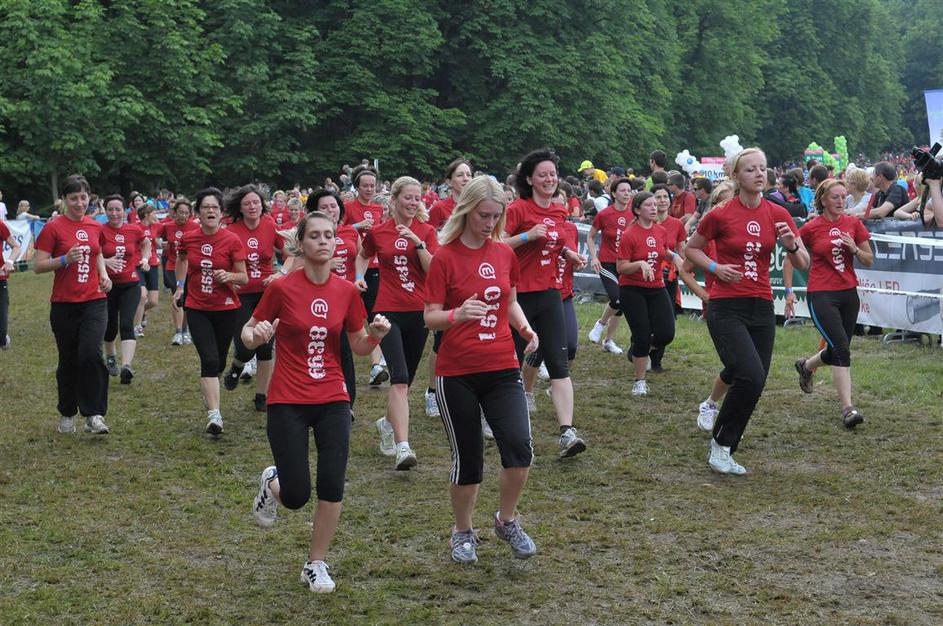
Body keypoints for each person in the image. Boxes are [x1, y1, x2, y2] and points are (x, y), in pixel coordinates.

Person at [244, 210, 391, 594]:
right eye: (315, 235)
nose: (324, 241)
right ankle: (272, 483)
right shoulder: (281, 288)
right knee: (296, 496)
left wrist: (375, 336)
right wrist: (256, 336)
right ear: (301, 243)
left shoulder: (347, 291)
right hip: (287, 399)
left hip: (333, 397)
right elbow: (248, 332)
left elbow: (358, 346)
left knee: (331, 482)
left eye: (329, 235)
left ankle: (316, 563)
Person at [424, 175, 539, 564]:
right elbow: (430, 316)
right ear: (466, 211)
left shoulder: (504, 254)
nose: (489, 223)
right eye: (483, 215)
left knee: (520, 449)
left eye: (495, 216)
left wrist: (525, 329)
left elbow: (510, 302)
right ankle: (462, 531)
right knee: (469, 458)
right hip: (457, 372)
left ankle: (507, 520)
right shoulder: (445, 257)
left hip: (502, 366)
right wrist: (456, 315)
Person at [685, 148, 809, 475]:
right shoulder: (721, 214)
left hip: (762, 305)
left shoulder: (778, 213)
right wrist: (716, 267)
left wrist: (791, 245)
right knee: (748, 373)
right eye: (751, 169)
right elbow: (691, 249)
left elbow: (803, 262)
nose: (759, 174)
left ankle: (725, 445)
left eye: (763, 169)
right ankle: (721, 444)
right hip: (726, 305)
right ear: (737, 176)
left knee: (756, 381)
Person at [503, 148, 587, 458]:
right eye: (543, 175)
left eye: (553, 174)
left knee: (559, 363)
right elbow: (496, 244)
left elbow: (552, 241)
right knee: (510, 362)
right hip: (518, 296)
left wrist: (568, 253)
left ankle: (567, 432)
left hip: (550, 292)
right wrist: (527, 236)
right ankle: (500, 418)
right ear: (529, 179)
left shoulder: (558, 210)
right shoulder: (517, 210)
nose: (550, 179)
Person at [355, 176, 439, 470]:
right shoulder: (379, 232)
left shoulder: (427, 231)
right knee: (400, 378)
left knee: (407, 380)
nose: (414, 202)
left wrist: (418, 243)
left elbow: (434, 271)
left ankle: (387, 423)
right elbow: (363, 255)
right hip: (387, 311)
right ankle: (403, 447)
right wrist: (359, 277)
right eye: (408, 197)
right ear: (394, 200)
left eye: (418, 198)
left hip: (419, 312)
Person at [784, 179, 873, 427]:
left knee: (837, 349)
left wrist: (854, 249)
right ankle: (848, 409)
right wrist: (789, 291)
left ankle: (806, 366)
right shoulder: (812, 227)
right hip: (822, 294)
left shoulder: (853, 223)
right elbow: (790, 258)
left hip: (849, 294)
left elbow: (869, 259)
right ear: (823, 200)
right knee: (842, 350)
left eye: (844, 197)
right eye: (835, 197)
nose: (841, 201)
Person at [33, 175, 113, 435]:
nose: (80, 203)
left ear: (90, 197)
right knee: (68, 359)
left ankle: (94, 414)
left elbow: (96, 252)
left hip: (94, 300)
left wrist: (104, 275)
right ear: (64, 200)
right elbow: (38, 266)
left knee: (91, 354)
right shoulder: (53, 227)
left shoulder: (95, 226)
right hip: (64, 304)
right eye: (74, 198)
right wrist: (64, 259)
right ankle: (67, 412)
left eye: (83, 197)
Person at [172, 187, 248, 435]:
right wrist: (180, 286)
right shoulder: (188, 238)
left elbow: (244, 277)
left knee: (219, 362)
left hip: (226, 307)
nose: (211, 211)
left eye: (215, 207)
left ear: (222, 212)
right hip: (197, 307)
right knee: (209, 360)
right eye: (206, 207)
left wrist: (229, 276)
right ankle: (214, 415)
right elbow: (182, 259)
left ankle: (211, 387)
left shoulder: (232, 240)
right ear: (198, 213)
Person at [220, 185, 286, 412]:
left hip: (268, 294)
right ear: (240, 207)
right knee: (246, 344)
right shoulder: (231, 230)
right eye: (247, 203)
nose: (252, 207)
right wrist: (229, 276)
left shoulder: (270, 225)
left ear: (262, 205)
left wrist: (280, 273)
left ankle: (262, 395)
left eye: (256, 202)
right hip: (240, 294)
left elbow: (291, 252)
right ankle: (238, 365)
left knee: (266, 345)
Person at [617, 192, 688, 396]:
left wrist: (675, 257)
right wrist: (640, 264)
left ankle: (638, 351)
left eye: (655, 205)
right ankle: (639, 381)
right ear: (637, 210)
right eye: (649, 205)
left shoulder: (660, 230)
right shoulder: (629, 234)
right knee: (641, 334)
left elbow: (663, 251)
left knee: (666, 333)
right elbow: (621, 267)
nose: (654, 208)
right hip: (632, 289)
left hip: (656, 287)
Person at [305, 189, 362, 412]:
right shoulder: (307, 235)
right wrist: (325, 265)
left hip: (345, 298)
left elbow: (361, 256)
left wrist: (359, 278)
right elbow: (295, 265)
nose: (330, 210)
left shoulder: (350, 232)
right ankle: (314, 397)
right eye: (324, 207)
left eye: (333, 206)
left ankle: (348, 404)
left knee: (344, 350)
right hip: (315, 299)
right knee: (319, 348)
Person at [425, 159, 473, 417]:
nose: (465, 179)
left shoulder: (477, 205)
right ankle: (432, 392)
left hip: (473, 275)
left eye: (469, 174)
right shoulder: (439, 209)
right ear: (448, 181)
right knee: (441, 338)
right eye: (460, 175)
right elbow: (432, 242)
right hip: (447, 276)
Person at [344, 167, 388, 385]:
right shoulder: (348, 207)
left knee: (374, 313)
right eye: (365, 186)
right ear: (357, 187)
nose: (369, 189)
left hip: (375, 266)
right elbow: (337, 229)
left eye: (372, 185)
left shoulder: (379, 208)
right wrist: (357, 226)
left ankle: (376, 366)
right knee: (346, 314)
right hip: (351, 267)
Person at [100, 195, 150, 385]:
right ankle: (111, 356)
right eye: (110, 209)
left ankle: (127, 366)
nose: (114, 213)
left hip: (130, 284)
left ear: (124, 211)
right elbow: (93, 253)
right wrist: (105, 262)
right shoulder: (100, 230)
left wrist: (144, 259)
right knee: (110, 326)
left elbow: (146, 244)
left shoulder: (134, 229)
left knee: (127, 324)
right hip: (107, 285)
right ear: (105, 211)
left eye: (118, 209)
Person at [586, 177, 632, 354]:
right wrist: (594, 258)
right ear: (614, 193)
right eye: (622, 190)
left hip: (625, 264)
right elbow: (590, 236)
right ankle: (600, 324)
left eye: (629, 190)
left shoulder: (634, 215)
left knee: (622, 302)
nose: (626, 194)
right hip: (607, 262)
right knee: (617, 298)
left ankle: (608, 340)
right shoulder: (604, 214)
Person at [157, 198, 198, 345]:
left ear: (190, 214)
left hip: (190, 268)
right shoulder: (167, 226)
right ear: (175, 213)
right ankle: (178, 332)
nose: (183, 215)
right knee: (178, 297)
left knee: (187, 300)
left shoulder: (195, 226)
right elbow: (156, 236)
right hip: (172, 267)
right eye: (180, 212)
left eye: (186, 213)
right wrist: (161, 244)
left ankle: (186, 331)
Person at [133, 202, 162, 338]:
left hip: (153, 264)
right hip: (138, 264)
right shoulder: (135, 228)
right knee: (142, 295)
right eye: (153, 213)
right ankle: (137, 327)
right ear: (146, 215)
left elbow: (171, 227)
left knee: (153, 301)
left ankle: (141, 311)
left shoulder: (156, 226)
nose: (156, 216)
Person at [0, 218, 22, 349]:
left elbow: (16, 247)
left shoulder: (0, 225)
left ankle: (3, 336)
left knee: (1, 333)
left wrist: (9, 262)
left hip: (0, 280)